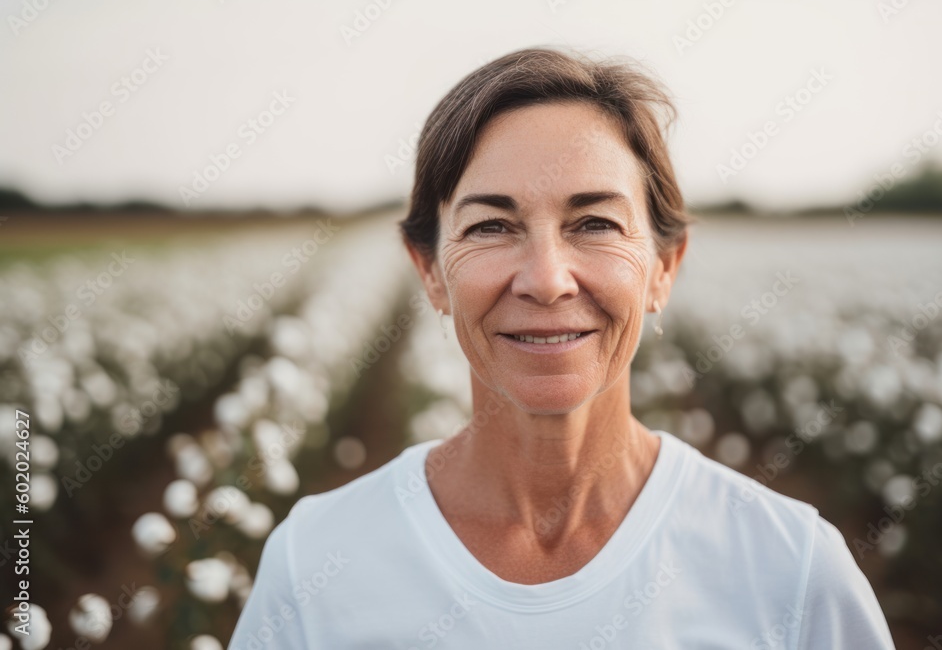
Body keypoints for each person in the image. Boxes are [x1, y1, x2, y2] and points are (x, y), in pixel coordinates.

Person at [228, 46, 896, 649]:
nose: (547, 279)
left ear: (665, 266)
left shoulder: (793, 569)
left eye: (595, 223)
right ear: (429, 269)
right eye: (491, 224)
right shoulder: (315, 562)